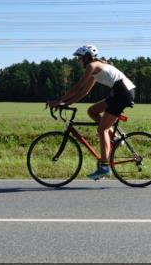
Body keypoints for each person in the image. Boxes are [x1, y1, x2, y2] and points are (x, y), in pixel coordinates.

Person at [48, 45, 136, 180]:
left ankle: (104, 167)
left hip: (122, 94)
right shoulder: (96, 67)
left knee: (102, 129)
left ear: (87, 57)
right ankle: (116, 138)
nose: (78, 61)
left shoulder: (92, 66)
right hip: (121, 93)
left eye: (79, 58)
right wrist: (66, 103)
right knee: (92, 111)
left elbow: (78, 87)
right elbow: (84, 92)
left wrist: (58, 100)